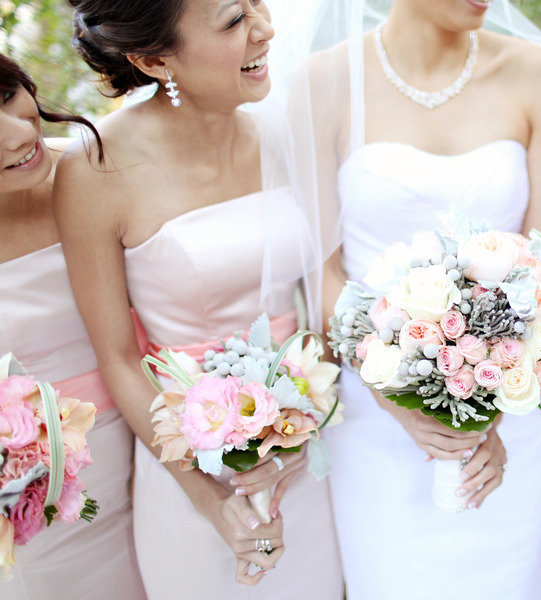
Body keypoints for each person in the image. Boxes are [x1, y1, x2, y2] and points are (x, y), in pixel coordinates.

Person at [273, 0, 541, 597]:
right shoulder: (322, 81)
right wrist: (396, 398)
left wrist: (491, 403)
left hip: (510, 412)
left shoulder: (537, 74)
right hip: (373, 409)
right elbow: (321, 274)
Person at [52, 1, 341, 596]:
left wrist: (306, 421)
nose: (265, 28)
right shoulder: (95, 170)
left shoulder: (285, 132)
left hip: (305, 451)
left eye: (257, 5)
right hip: (187, 464)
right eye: (234, 21)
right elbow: (119, 359)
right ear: (154, 59)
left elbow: (323, 293)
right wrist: (211, 499)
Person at [0, 51, 147, 600]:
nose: (19, 134)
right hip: (50, 510)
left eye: (8, 97)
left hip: (177, 453)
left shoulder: (102, 171)